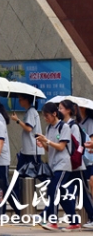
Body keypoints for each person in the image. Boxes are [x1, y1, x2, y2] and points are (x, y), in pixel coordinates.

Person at [37, 102, 76, 231]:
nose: (45, 118)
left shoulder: (64, 127)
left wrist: (47, 141)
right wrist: (43, 143)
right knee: (63, 195)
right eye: (44, 116)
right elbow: (50, 149)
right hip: (54, 165)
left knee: (53, 190)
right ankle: (74, 222)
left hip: (63, 165)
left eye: (47, 115)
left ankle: (53, 221)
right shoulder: (49, 128)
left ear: (54, 114)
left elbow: (60, 146)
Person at [60, 99, 93, 230]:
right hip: (67, 164)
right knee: (63, 191)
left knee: (80, 192)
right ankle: (73, 220)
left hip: (74, 164)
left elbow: (75, 145)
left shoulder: (73, 126)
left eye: (61, 108)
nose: (59, 110)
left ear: (68, 110)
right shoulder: (63, 125)